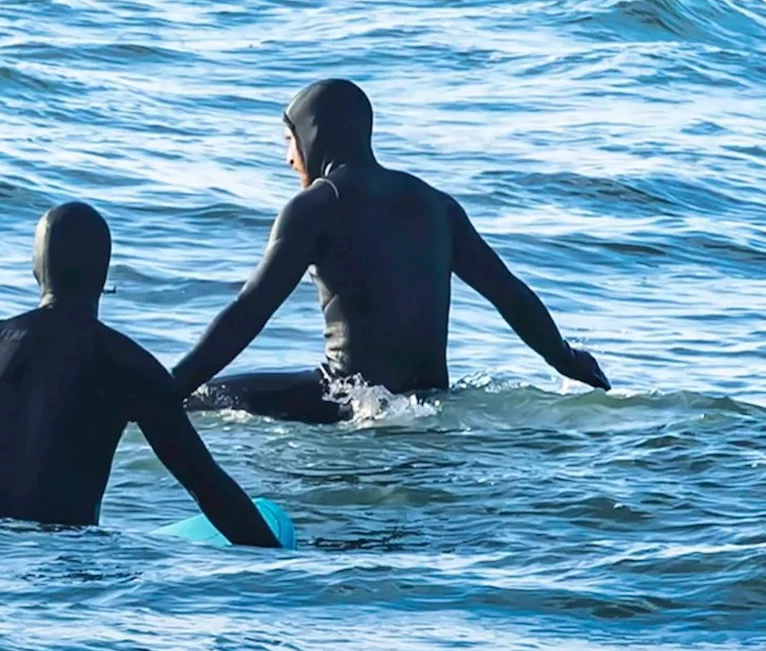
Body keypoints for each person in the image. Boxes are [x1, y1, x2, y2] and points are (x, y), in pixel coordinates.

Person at [173, 79, 610, 424]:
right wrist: (567, 359)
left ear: (314, 134)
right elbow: (508, 293)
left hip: (352, 399)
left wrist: (172, 385)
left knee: (203, 399)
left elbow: (250, 309)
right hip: (429, 399)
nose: (288, 157)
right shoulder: (437, 204)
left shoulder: (315, 206)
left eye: (289, 139)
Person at [0, 201, 281, 548]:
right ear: (103, 276)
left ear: (37, 269)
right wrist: (279, 563)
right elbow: (207, 486)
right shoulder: (132, 366)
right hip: (69, 564)